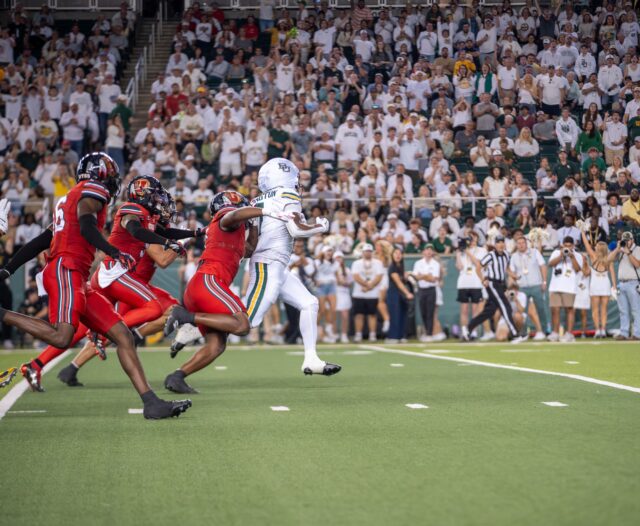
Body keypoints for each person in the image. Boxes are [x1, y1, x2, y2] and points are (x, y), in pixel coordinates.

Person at [0, 153, 191, 419]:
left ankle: (151, 403)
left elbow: (42, 240)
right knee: (63, 336)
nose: (113, 181)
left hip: (76, 274)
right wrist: (112, 251)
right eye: (111, 174)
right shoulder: (93, 191)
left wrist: (8, 269)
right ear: (101, 175)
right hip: (66, 269)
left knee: (123, 335)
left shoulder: (69, 198)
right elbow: (87, 223)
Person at [162, 191, 283, 393]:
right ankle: (187, 317)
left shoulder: (231, 233)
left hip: (204, 285)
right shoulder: (225, 218)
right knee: (242, 324)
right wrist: (266, 211)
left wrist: (253, 224)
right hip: (209, 280)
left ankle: (177, 377)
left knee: (217, 345)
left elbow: (250, 249)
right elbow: (233, 216)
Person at [242, 158, 341, 375]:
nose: (298, 184)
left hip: (275, 264)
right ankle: (193, 323)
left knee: (309, 303)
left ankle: (311, 359)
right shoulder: (287, 194)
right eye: (296, 179)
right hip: (268, 263)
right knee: (246, 321)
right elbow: (296, 230)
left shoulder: (259, 199)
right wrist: (320, 225)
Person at [462, 236, 526, 343]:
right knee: (506, 307)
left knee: (489, 311)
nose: (500, 244)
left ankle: (468, 328)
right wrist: (483, 280)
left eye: (502, 242)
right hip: (492, 283)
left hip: (501, 284)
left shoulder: (506, 254)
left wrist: (513, 276)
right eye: (498, 242)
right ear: (495, 245)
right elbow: (478, 267)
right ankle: (515, 335)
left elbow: (507, 268)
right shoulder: (490, 255)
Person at [508, 236, 548, 338]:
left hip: (536, 284)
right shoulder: (514, 256)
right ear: (516, 245)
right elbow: (512, 273)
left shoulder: (535, 252)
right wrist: (511, 287)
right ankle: (523, 333)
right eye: (519, 243)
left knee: (540, 308)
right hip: (521, 287)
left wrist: (544, 281)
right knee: (522, 311)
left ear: (526, 244)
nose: (521, 245)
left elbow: (543, 266)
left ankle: (543, 331)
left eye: (523, 243)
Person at [547, 236, 583, 342]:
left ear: (573, 246)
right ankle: (555, 333)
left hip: (569, 287)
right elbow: (550, 264)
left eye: (569, 245)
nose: (567, 247)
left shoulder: (577, 255)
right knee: (555, 310)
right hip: (555, 286)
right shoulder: (556, 252)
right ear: (562, 245)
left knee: (569, 310)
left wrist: (571, 257)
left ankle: (569, 334)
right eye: (565, 245)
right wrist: (561, 255)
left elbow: (577, 269)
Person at [581, 229, 616, 338]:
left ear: (599, 249)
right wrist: (613, 286)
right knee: (603, 310)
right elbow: (612, 273)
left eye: (596, 247)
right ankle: (601, 330)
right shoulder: (608, 258)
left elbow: (586, 244)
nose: (594, 247)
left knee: (596, 309)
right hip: (604, 284)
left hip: (596, 285)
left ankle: (598, 330)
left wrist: (582, 232)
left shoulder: (593, 257)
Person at [351, 243, 385, 343]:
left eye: (369, 251)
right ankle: (358, 335)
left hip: (372, 293)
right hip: (359, 293)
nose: (368, 253)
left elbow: (379, 276)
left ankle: (372, 334)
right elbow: (356, 276)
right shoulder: (356, 263)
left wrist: (370, 286)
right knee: (359, 315)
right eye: (366, 251)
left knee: (372, 315)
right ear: (362, 252)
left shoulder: (378, 263)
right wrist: (366, 285)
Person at [455, 232, 486, 339]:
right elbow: (459, 267)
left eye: (473, 238)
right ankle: (464, 332)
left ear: (477, 239)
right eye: (469, 238)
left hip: (476, 283)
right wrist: (458, 253)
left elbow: (478, 264)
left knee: (475, 310)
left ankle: (473, 331)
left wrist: (468, 252)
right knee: (463, 310)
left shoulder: (481, 250)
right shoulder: (462, 251)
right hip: (463, 283)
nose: (471, 240)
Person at [612, 231, 640, 340]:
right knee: (623, 310)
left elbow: (637, 264)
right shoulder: (621, 250)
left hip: (633, 283)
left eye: (628, 240)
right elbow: (609, 259)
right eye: (625, 240)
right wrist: (617, 249)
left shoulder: (638, 249)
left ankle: (637, 334)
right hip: (621, 283)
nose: (626, 242)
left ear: (632, 240)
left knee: (636, 310)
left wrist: (628, 252)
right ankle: (624, 333)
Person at [412, 244, 440, 342]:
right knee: (423, 311)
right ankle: (426, 331)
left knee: (430, 312)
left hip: (431, 290)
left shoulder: (435, 264)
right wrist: (427, 276)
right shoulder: (418, 263)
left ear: (432, 252)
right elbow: (416, 276)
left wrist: (423, 276)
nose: (428, 252)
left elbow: (434, 279)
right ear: (423, 252)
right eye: (426, 249)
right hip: (421, 289)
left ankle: (429, 334)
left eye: (430, 250)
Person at [386, 247, 413, 343]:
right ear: (392, 255)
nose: (398, 255)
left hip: (401, 295)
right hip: (393, 294)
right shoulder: (392, 267)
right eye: (395, 253)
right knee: (395, 315)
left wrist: (407, 277)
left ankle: (402, 335)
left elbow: (404, 281)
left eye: (399, 253)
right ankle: (393, 336)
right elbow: (398, 283)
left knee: (403, 315)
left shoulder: (401, 267)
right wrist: (407, 293)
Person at [314, 245, 338, 343]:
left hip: (331, 286)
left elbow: (332, 273)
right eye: (328, 251)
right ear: (323, 252)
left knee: (332, 308)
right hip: (321, 287)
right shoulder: (317, 262)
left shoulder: (335, 263)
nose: (329, 253)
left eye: (331, 251)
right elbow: (316, 273)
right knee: (322, 310)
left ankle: (329, 327)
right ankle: (314, 329)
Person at [334, 251, 352, 343]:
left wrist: (345, 283)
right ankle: (335, 334)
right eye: (337, 258)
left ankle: (344, 334)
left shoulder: (347, 270)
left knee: (345, 315)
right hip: (334, 294)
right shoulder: (331, 270)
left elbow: (350, 284)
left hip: (344, 293)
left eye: (340, 257)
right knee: (334, 315)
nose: (338, 259)